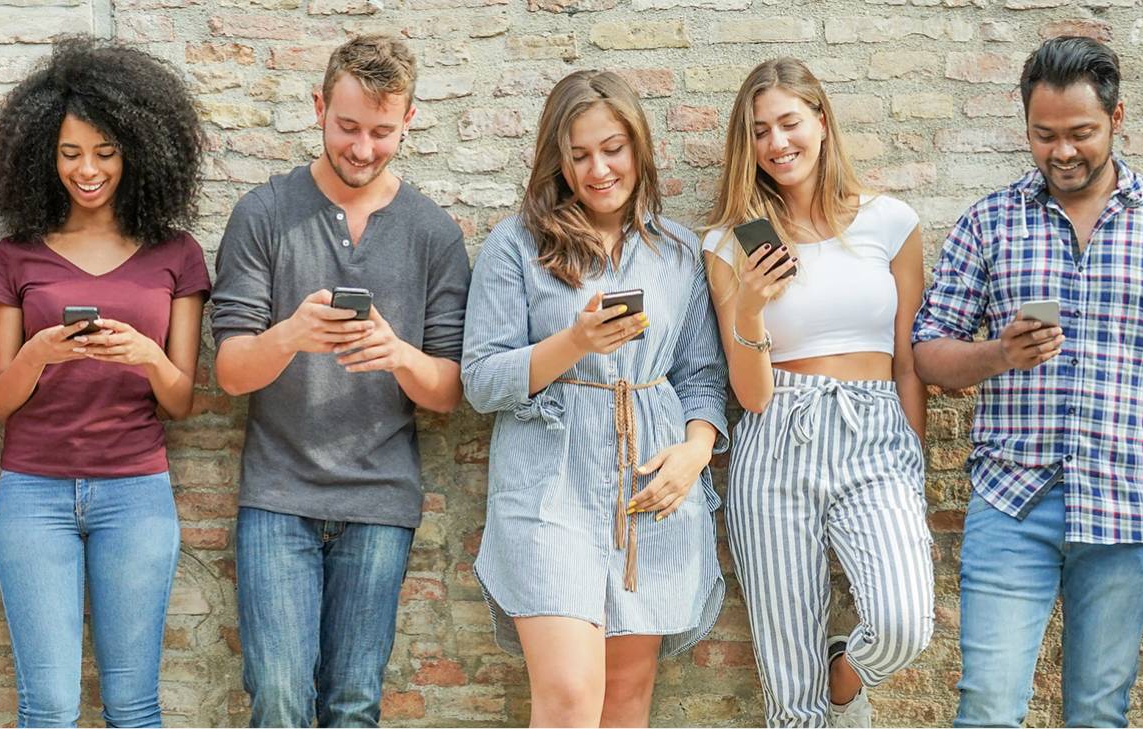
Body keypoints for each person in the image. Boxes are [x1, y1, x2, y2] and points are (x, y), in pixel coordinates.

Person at [911, 36, 1143, 728]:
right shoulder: (988, 223)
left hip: (1127, 508)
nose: (1062, 151)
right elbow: (928, 355)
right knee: (989, 706)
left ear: (1117, 120)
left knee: (1096, 711)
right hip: (1012, 503)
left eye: (1081, 133)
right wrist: (998, 354)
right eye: (1044, 134)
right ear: (1025, 126)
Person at [207, 34, 470, 728]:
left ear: (409, 119)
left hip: (379, 500)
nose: (362, 147)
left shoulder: (433, 233)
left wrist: (398, 354)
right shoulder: (263, 215)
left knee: (353, 703)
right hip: (277, 492)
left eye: (382, 132)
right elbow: (231, 372)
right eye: (347, 127)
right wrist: (290, 334)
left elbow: (446, 390)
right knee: (279, 696)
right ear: (318, 105)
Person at [461, 69, 729, 728]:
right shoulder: (516, 245)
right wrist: (576, 340)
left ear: (638, 146)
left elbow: (701, 374)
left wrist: (694, 454)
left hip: (650, 483)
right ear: (556, 158)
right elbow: (481, 378)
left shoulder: (678, 252)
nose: (597, 168)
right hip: (548, 482)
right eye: (578, 154)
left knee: (627, 696)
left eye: (612, 148)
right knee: (571, 697)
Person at [0, 36, 209, 727]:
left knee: (132, 704)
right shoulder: (17, 255)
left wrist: (144, 354)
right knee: (47, 705)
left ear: (139, 151)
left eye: (106, 153)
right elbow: (0, 401)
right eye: (70, 152)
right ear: (42, 154)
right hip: (34, 494)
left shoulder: (177, 255)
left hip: (137, 493)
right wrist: (43, 351)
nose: (88, 170)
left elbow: (182, 400)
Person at [700, 58, 932, 728]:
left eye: (789, 122)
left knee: (903, 621)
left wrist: (910, 457)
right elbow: (753, 397)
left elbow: (909, 361)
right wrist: (748, 308)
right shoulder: (728, 244)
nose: (777, 143)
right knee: (788, 694)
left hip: (876, 433)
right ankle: (811, 696)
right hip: (778, 439)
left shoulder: (891, 222)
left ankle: (844, 673)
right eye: (760, 131)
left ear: (822, 121)